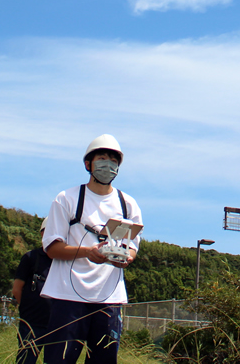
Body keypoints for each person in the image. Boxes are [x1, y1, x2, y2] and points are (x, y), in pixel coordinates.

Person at [41, 135, 143, 364]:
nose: (108, 165)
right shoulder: (66, 199)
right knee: (59, 359)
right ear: (88, 164)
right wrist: (87, 252)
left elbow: (132, 248)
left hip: (108, 298)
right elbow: (52, 247)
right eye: (102, 158)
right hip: (67, 296)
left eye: (113, 160)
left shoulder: (128, 205)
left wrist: (125, 259)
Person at [12, 219, 53, 364]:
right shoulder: (31, 258)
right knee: (26, 360)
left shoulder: (64, 261)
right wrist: (28, 311)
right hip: (31, 324)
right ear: (42, 234)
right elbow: (17, 289)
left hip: (57, 324)